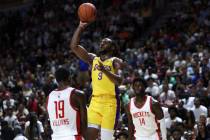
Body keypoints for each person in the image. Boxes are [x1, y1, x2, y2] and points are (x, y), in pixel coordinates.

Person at [70, 21, 124, 140]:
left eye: (105, 42)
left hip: (110, 103)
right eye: (101, 42)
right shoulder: (93, 59)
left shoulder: (115, 61)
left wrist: (105, 71)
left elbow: (119, 81)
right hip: (95, 102)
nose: (102, 43)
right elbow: (74, 47)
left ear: (113, 47)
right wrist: (80, 27)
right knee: (89, 137)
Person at [46, 68, 87, 140]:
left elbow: (49, 120)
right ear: (69, 78)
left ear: (56, 80)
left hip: (55, 137)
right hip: (73, 136)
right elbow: (84, 120)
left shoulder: (49, 97)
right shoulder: (78, 94)